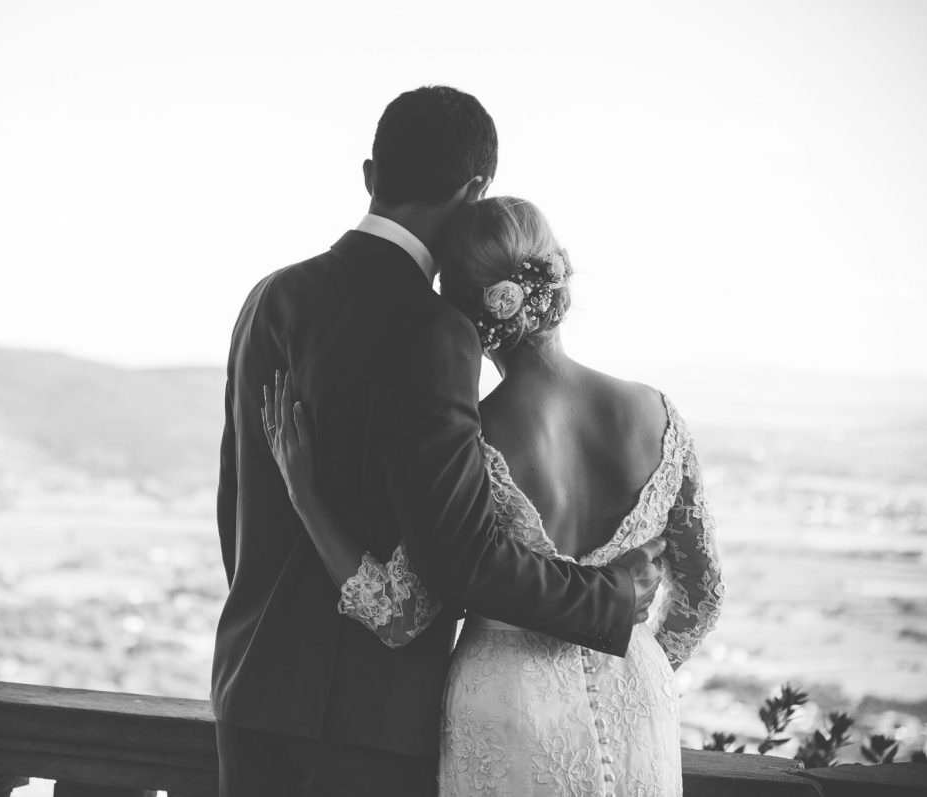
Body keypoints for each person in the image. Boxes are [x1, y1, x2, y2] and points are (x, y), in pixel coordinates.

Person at [211, 85, 665, 797]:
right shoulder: (433, 330)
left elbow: (236, 506)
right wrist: (608, 595)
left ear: (370, 175)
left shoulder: (270, 298)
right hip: (368, 725)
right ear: (476, 188)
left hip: (252, 691)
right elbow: (461, 554)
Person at [263, 196, 725, 796]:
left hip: (510, 708)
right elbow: (702, 594)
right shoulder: (658, 416)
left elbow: (397, 615)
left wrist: (306, 496)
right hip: (639, 699)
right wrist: (639, 662)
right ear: (556, 275)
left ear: (462, 307)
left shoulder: (469, 440)